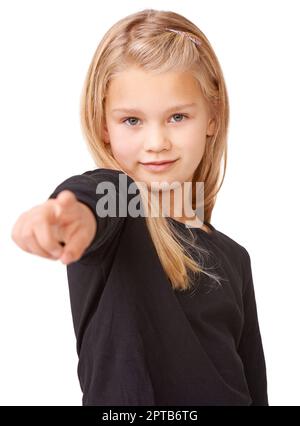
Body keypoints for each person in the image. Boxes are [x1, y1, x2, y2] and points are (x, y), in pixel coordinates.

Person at [11, 9, 268, 406]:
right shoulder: (120, 207)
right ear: (104, 126)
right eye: (132, 120)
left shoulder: (236, 258)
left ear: (212, 117)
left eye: (177, 117)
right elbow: (92, 197)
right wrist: (65, 216)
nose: (157, 141)